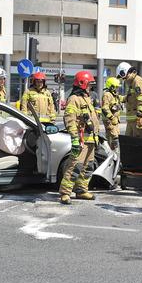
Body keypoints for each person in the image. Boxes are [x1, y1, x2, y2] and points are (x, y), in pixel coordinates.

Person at [59, 71, 99, 205]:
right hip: (81, 140)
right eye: (89, 85)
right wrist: (75, 138)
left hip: (91, 139)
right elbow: (70, 119)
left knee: (88, 167)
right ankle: (65, 192)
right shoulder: (74, 99)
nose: (90, 88)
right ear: (82, 84)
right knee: (75, 166)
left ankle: (81, 190)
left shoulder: (87, 98)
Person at [119, 62, 142, 138]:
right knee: (129, 143)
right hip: (132, 120)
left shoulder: (137, 81)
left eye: (125, 78)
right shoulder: (132, 83)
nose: (125, 80)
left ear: (127, 72)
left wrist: (139, 116)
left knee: (138, 144)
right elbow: (131, 97)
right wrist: (119, 98)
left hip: (138, 120)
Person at [101, 76, 122, 156]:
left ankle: (112, 155)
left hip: (114, 121)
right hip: (110, 121)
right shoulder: (107, 95)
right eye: (116, 87)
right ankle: (114, 155)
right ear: (111, 86)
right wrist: (112, 117)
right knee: (114, 137)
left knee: (113, 138)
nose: (117, 89)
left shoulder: (114, 95)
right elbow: (105, 108)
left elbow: (120, 99)